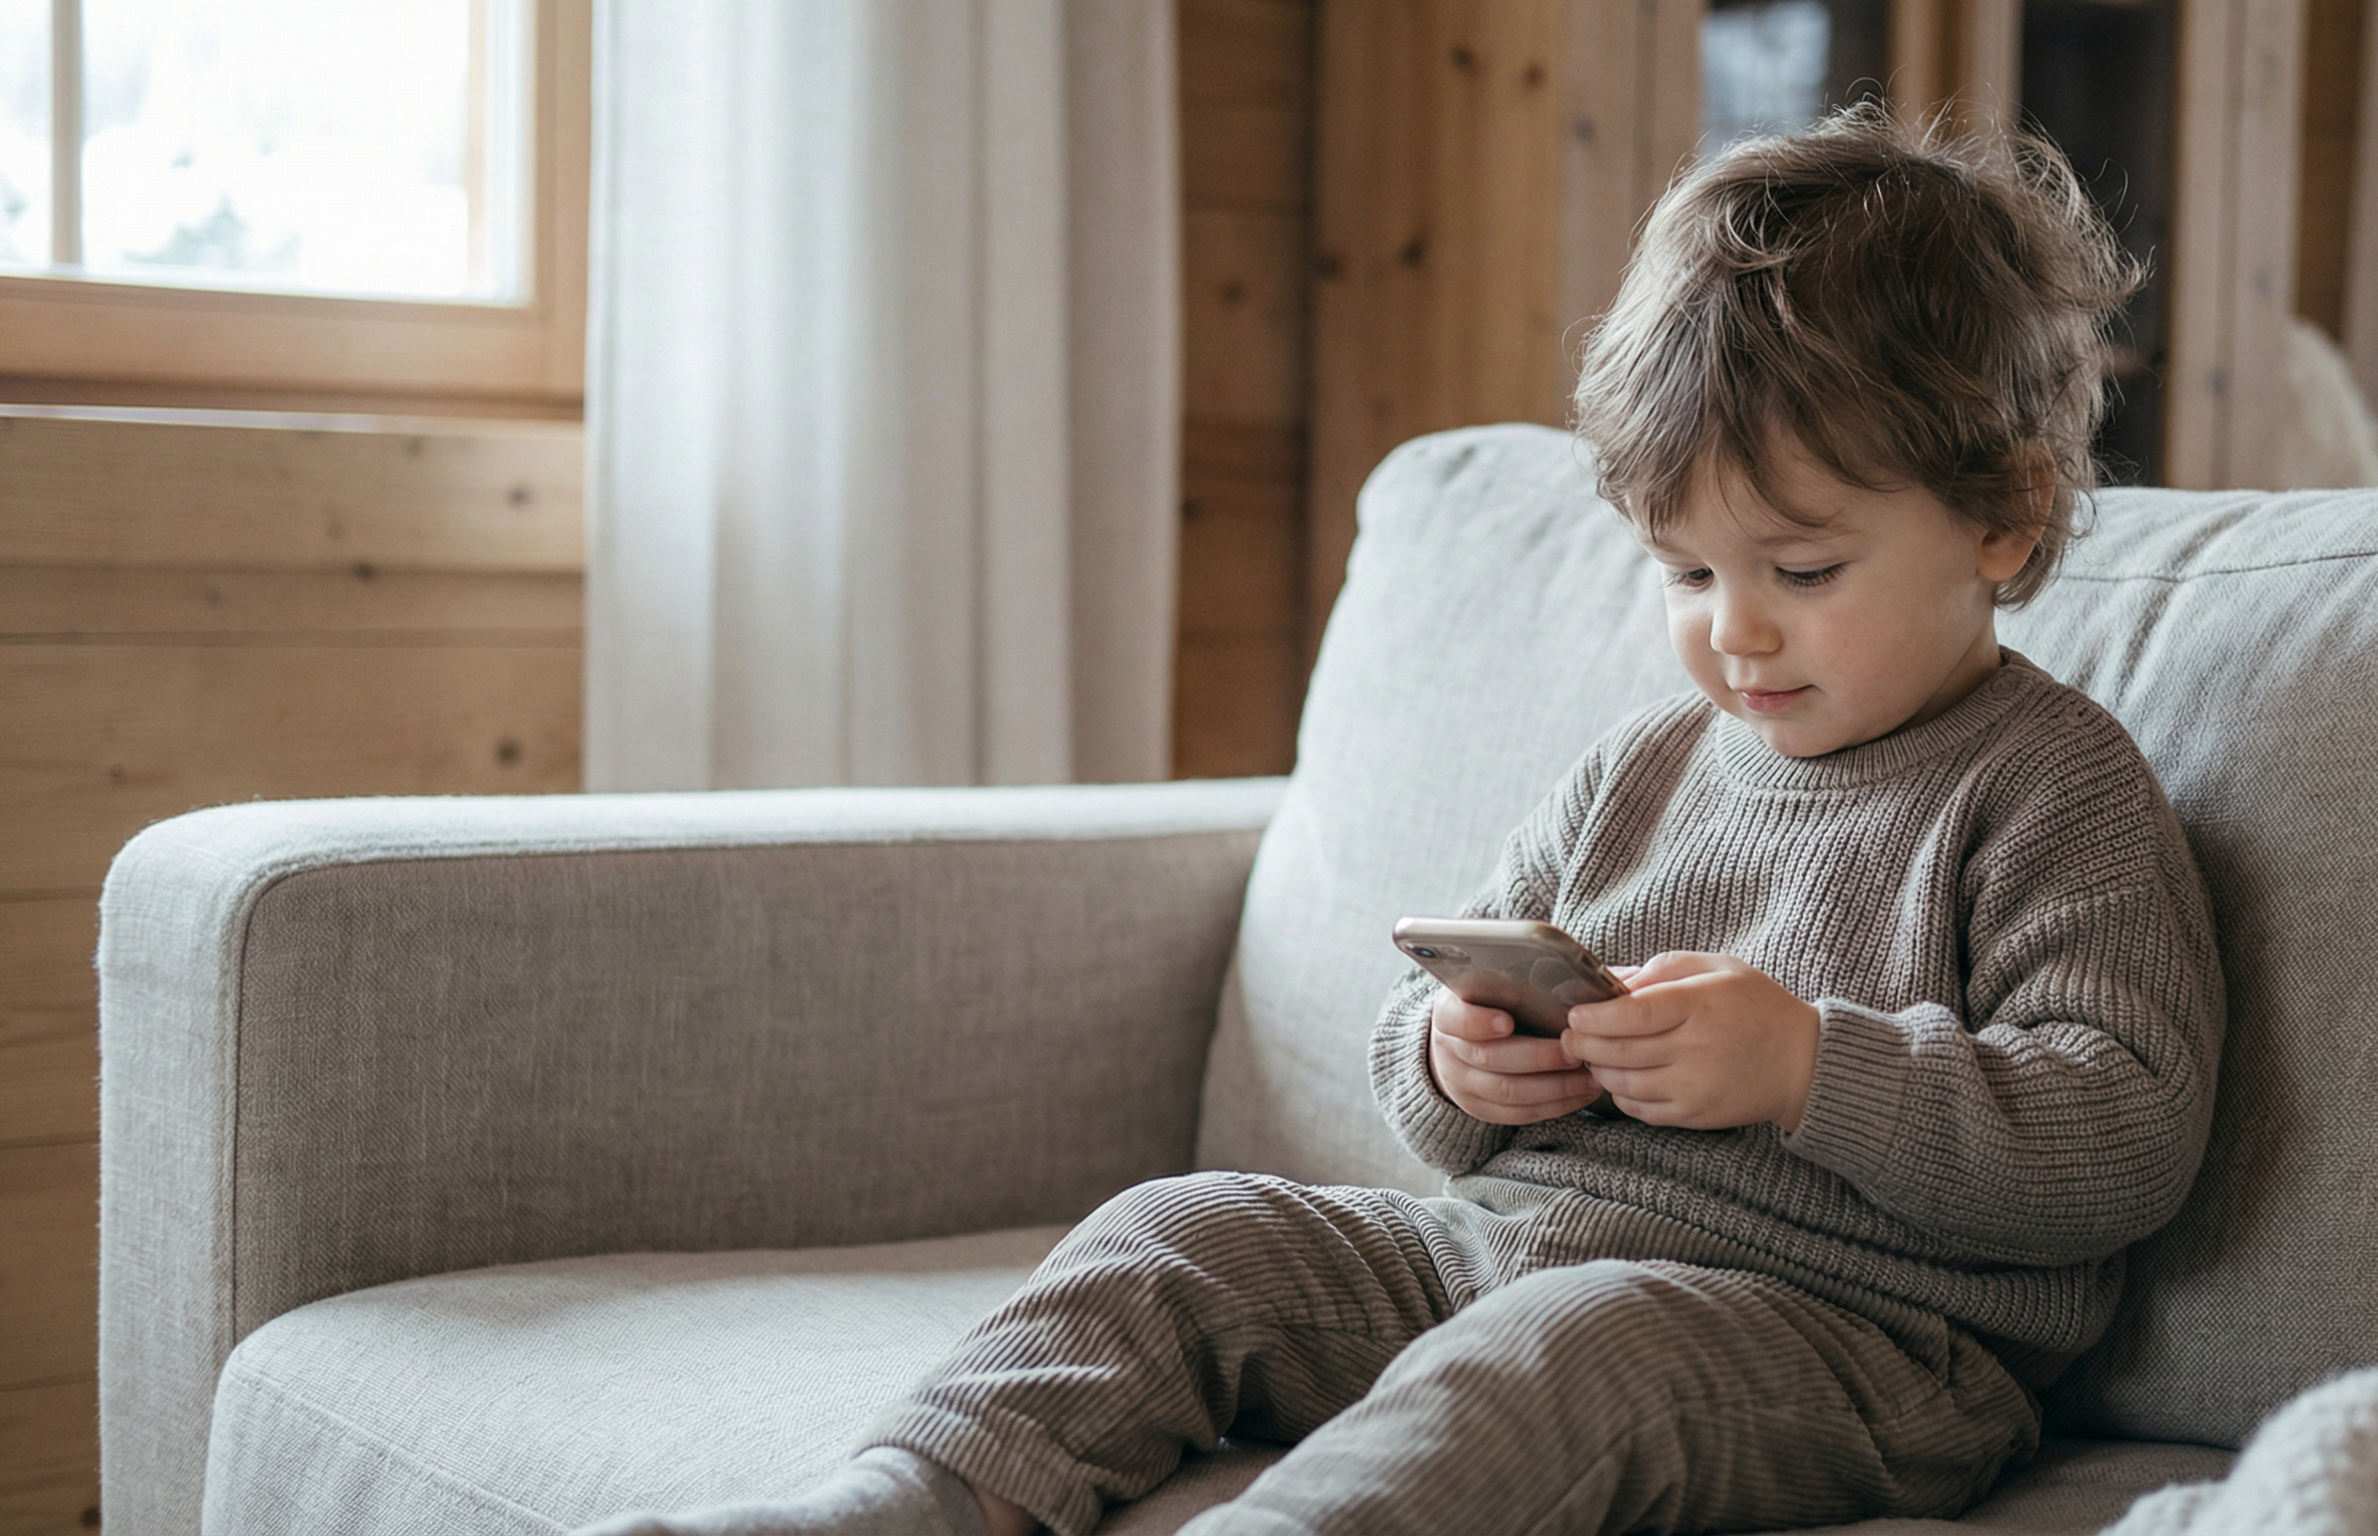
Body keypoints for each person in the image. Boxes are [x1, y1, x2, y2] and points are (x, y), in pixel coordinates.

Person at [581, 102, 2226, 1536]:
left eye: (1802, 572)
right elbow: (1423, 1055)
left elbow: (2125, 1133)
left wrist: (1812, 1068)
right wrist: (1458, 1063)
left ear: (2003, 527)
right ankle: (918, 1499)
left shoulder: (2053, 789)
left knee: (1564, 1361)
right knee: (1185, 1229)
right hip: (1501, 1252)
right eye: (1687, 573)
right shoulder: (1641, 773)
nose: (1737, 629)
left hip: (1856, 1345)